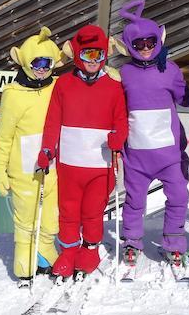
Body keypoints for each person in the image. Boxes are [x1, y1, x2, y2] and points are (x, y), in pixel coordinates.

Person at [37, 24, 129, 280]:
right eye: (87, 54)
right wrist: (47, 149)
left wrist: (118, 138)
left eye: (98, 55)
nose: (93, 61)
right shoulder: (64, 84)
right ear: (77, 55)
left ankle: (89, 250)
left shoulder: (113, 86)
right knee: (68, 211)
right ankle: (68, 253)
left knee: (92, 211)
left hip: (99, 165)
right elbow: (53, 120)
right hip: (69, 163)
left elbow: (121, 119)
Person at [113, 0, 189, 268]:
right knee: (135, 201)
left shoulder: (169, 69)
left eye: (150, 42)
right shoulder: (123, 73)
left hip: (169, 152)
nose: (145, 48)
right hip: (136, 155)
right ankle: (132, 241)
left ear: (158, 39)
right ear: (129, 46)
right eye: (139, 44)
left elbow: (185, 97)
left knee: (179, 195)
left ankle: (174, 241)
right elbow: (113, 106)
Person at [0, 27, 64, 287]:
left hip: (53, 161)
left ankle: (45, 250)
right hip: (24, 165)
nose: (42, 68)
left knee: (51, 214)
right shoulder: (13, 95)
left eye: (47, 62)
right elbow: (3, 136)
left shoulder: (56, 86)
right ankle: (24, 258)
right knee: (26, 214)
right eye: (36, 62)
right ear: (24, 62)